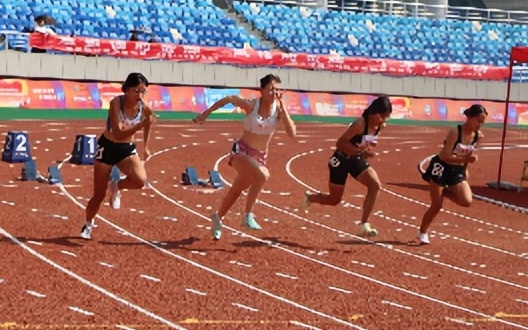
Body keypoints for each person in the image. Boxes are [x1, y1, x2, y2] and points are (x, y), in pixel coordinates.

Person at [193, 74, 297, 240]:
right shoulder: (251, 105)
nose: (274, 92)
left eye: (277, 89)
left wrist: (284, 110)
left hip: (260, 156)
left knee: (236, 191)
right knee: (263, 175)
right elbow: (228, 98)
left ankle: (218, 218)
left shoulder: (278, 110)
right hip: (241, 151)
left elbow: (292, 134)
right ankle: (248, 215)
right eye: (271, 89)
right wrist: (206, 114)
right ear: (261, 90)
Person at [79, 72, 156, 240]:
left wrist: (146, 145)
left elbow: (149, 122)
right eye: (136, 91)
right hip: (108, 147)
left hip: (126, 149)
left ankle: (117, 186)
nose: (139, 95)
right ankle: (89, 223)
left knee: (140, 181)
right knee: (99, 194)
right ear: (127, 90)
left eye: (143, 91)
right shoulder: (116, 103)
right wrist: (141, 125)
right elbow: (118, 132)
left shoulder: (144, 106)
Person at [302, 96, 392, 236]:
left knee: (375, 186)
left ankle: (364, 224)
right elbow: (340, 143)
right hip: (341, 160)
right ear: (375, 113)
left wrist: (366, 149)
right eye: (382, 117)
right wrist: (360, 151)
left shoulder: (380, 126)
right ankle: (310, 198)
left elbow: (366, 142)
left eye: (386, 118)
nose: (383, 121)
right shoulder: (360, 124)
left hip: (356, 159)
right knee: (334, 200)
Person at [411, 104, 488, 246]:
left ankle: (445, 192)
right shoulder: (455, 132)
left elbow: (467, 153)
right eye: (478, 121)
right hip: (441, 167)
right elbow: (445, 156)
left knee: (466, 201)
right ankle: (422, 233)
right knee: (436, 205)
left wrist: (465, 168)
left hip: (457, 169)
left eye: (483, 122)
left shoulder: (478, 136)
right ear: (469, 118)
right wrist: (465, 160)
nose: (480, 125)